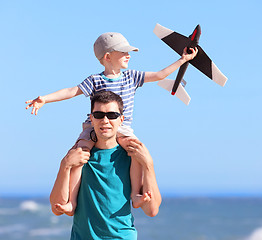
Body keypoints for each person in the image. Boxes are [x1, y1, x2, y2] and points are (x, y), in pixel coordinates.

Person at [25, 32, 198, 214]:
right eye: (123, 52)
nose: (128, 55)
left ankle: (136, 195)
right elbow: (71, 91)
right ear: (108, 57)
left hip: (122, 128)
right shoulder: (94, 80)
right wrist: (45, 99)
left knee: (136, 151)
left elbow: (159, 75)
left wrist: (182, 59)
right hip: (94, 126)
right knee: (79, 154)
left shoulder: (131, 76)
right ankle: (71, 202)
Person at [50, 91, 162, 239]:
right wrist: (64, 165)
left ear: (121, 120)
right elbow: (58, 209)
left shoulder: (132, 155)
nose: (105, 120)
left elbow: (151, 210)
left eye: (112, 115)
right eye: (98, 115)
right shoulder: (80, 155)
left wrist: (148, 163)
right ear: (91, 118)